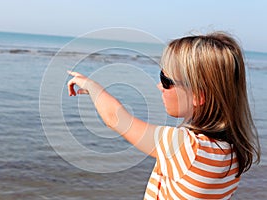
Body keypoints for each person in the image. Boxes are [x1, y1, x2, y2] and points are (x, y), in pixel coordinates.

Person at [67, 31, 261, 199]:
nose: (159, 86)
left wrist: (93, 87)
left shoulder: (186, 148)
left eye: (166, 80)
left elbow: (115, 118)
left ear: (198, 96)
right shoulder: (233, 153)